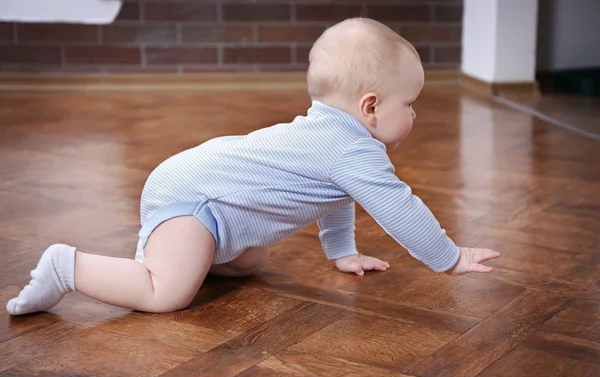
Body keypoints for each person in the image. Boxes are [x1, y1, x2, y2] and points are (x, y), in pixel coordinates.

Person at [6, 17, 499, 316]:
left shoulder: (338, 142)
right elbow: (398, 208)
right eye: (410, 103)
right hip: (193, 200)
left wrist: (341, 251)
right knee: (166, 294)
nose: (414, 113)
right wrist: (447, 256)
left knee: (252, 261)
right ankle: (67, 267)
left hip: (202, 195)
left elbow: (337, 195)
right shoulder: (350, 150)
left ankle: (185, 255)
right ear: (370, 106)